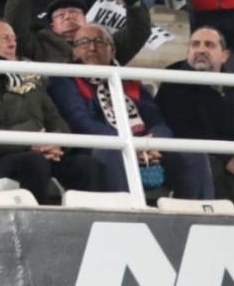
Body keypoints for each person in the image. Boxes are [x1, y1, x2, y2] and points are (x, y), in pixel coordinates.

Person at [49, 24, 213, 199]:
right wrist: (128, 144)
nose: (92, 47)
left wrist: (153, 143)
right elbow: (81, 122)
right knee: (110, 152)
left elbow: (157, 120)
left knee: (194, 155)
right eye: (84, 42)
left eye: (99, 41)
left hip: (146, 148)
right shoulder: (65, 80)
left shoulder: (129, 80)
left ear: (112, 50)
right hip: (104, 148)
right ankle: (125, 219)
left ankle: (195, 218)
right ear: (74, 51)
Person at [0, 20, 104, 203]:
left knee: (86, 165)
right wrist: (28, 144)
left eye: (14, 38)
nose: (12, 43)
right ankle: (37, 224)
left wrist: (54, 144)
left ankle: (87, 224)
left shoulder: (30, 79)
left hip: (41, 153)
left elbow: (59, 124)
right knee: (34, 162)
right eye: (4, 38)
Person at [157, 28, 234, 211]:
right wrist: (228, 158)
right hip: (203, 157)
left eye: (209, 45)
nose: (201, 50)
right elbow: (183, 130)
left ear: (225, 55)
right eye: (195, 44)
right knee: (206, 164)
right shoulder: (174, 80)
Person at [6, 0, 150, 64]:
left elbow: (139, 32)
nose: (68, 16)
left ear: (85, 20)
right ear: (52, 25)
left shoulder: (105, 42)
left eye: (74, 12)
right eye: (60, 15)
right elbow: (14, 29)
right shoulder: (39, 45)